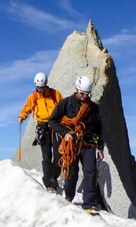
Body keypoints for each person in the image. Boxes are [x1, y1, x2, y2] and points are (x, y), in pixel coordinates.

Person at [48, 75, 104, 213]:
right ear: (76, 90)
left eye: (87, 94)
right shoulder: (65, 103)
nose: (85, 96)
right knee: (72, 172)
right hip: (71, 144)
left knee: (90, 172)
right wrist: (64, 133)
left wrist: (100, 147)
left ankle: (88, 205)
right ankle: (68, 196)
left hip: (88, 143)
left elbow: (98, 129)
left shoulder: (93, 108)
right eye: (83, 93)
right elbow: (52, 121)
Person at [18, 72, 63, 192]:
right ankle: (49, 183)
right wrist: (22, 117)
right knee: (46, 157)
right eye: (39, 88)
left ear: (46, 84)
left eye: (43, 87)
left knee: (59, 155)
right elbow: (27, 108)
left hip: (55, 126)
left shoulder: (55, 94)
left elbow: (63, 107)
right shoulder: (33, 97)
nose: (41, 90)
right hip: (43, 128)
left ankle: (53, 176)